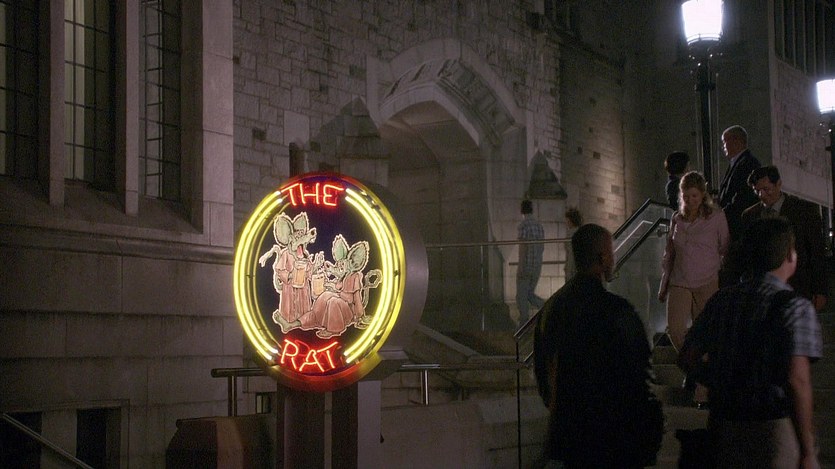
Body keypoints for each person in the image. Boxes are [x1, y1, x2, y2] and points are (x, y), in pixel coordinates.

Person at [679, 217, 823, 468]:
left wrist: (717, 378)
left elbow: (687, 357)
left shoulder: (721, 301)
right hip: (772, 429)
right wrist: (807, 450)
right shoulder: (794, 307)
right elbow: (797, 380)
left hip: (724, 426)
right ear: (789, 255)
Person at [534, 224, 663, 468]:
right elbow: (640, 378)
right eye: (611, 253)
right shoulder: (618, 311)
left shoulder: (552, 309)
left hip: (569, 440)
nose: (613, 259)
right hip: (612, 438)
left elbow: (544, 375)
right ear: (603, 258)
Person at [658, 171, 729, 352]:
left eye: (694, 196)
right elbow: (670, 252)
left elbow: (725, 247)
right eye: (686, 196)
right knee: (675, 329)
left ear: (702, 194)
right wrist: (664, 283)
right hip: (680, 280)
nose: (690, 200)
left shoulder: (716, 217)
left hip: (707, 280)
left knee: (705, 330)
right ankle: (691, 360)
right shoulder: (677, 219)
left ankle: (702, 363)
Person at [742, 165, 828, 311]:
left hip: (798, 285)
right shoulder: (750, 215)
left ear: (779, 184)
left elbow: (816, 253)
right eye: (757, 191)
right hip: (762, 290)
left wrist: (820, 290)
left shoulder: (804, 212)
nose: (762, 195)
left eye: (767, 189)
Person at [716, 125, 761, 241]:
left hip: (739, 227)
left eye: (725, 141)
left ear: (736, 141)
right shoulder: (737, 162)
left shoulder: (748, 163)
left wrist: (720, 215)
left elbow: (744, 196)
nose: (723, 146)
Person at [517, 199, 545, 325]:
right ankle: (546, 308)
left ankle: (523, 323)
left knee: (521, 296)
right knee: (529, 294)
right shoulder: (539, 226)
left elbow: (523, 247)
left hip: (526, 265)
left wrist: (521, 267)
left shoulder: (523, 225)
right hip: (537, 266)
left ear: (522, 210)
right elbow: (542, 247)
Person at [563, 207, 583, 279]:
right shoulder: (581, 232)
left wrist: (568, 270)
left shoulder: (571, 234)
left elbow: (571, 254)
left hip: (572, 268)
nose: (566, 223)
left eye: (567, 220)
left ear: (571, 221)